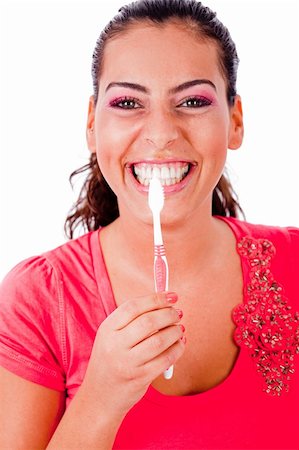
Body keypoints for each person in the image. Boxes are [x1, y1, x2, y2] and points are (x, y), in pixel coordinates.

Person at [0, 0, 298, 448]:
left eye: (193, 101)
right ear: (91, 123)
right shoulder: (38, 300)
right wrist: (102, 397)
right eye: (128, 102)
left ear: (235, 121)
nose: (160, 134)